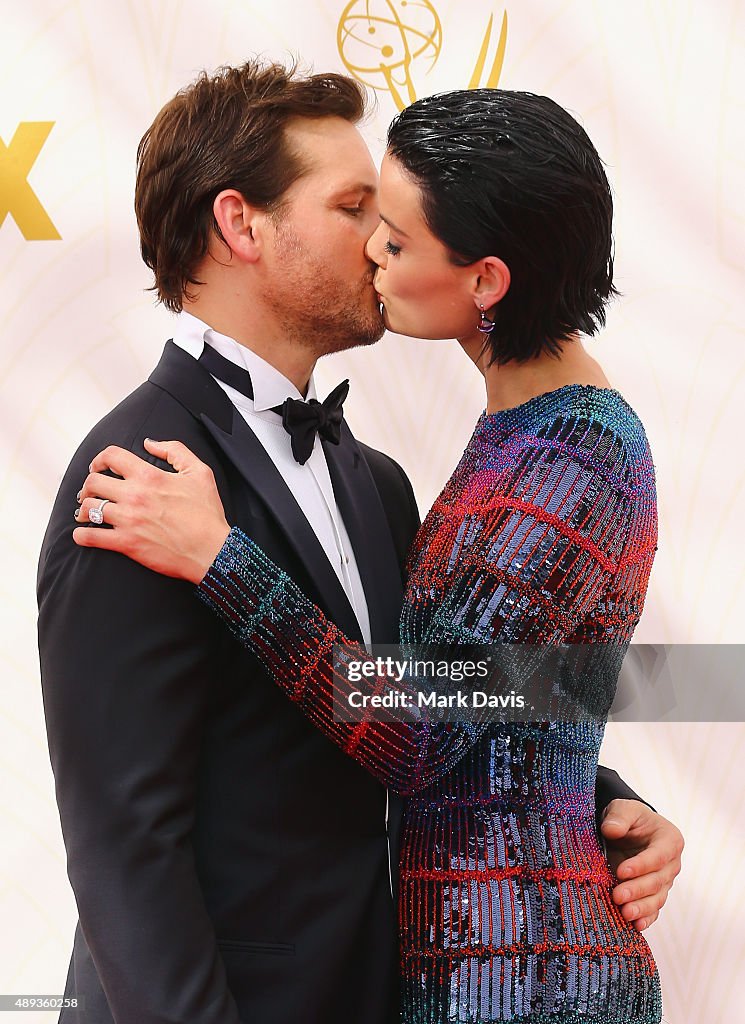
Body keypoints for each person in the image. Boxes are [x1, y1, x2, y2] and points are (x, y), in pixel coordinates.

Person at [68, 81, 683, 1023]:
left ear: (484, 279)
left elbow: (434, 718)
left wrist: (586, 799)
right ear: (240, 224)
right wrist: (594, 796)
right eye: (358, 213)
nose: (373, 249)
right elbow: (122, 843)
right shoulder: (136, 474)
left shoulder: (544, 458)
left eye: (391, 230)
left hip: (520, 979)